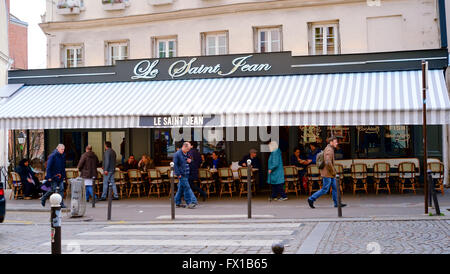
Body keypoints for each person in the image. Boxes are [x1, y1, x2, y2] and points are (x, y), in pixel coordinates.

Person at [307, 136, 347, 209]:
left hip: (330, 173)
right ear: (331, 142)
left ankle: (337, 203)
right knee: (325, 189)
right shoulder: (329, 150)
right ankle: (311, 199)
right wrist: (333, 172)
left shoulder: (330, 148)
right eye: (335, 142)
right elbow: (328, 162)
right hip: (327, 173)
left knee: (335, 187)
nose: (337, 143)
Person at [173, 142, 198, 209]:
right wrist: (178, 174)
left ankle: (177, 202)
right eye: (188, 149)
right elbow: (175, 165)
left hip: (186, 173)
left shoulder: (186, 153)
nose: (188, 150)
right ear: (184, 147)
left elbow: (189, 160)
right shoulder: (177, 154)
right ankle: (192, 202)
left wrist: (190, 160)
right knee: (187, 188)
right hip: (182, 174)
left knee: (181, 189)